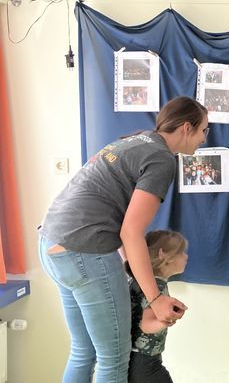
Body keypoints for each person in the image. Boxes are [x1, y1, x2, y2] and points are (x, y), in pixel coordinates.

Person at [38, 96, 208, 383]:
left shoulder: (137, 141)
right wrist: (155, 298)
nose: (204, 139)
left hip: (51, 244)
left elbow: (115, 221)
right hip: (84, 251)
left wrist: (140, 278)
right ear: (187, 127)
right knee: (113, 359)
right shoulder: (161, 158)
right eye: (205, 130)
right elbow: (130, 232)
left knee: (83, 351)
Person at [126, 230, 189, 383]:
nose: (186, 256)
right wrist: (166, 320)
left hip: (137, 358)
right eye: (181, 253)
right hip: (144, 361)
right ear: (163, 254)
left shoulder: (146, 282)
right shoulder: (156, 288)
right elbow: (146, 325)